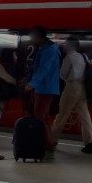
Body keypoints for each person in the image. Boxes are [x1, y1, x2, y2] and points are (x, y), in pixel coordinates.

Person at [52, 36, 92, 154]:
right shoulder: (83, 56)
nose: (64, 46)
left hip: (71, 87)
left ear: (70, 45)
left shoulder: (69, 57)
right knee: (84, 115)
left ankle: (52, 141)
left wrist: (67, 79)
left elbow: (62, 75)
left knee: (62, 114)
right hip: (82, 87)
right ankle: (89, 142)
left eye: (66, 44)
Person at [23, 26, 61, 157]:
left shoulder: (49, 51)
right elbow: (36, 68)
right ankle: (48, 143)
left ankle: (43, 144)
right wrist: (27, 80)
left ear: (39, 37)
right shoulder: (44, 49)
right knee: (44, 118)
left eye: (32, 37)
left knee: (39, 117)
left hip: (45, 88)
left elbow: (43, 70)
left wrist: (32, 84)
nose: (31, 40)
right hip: (44, 87)